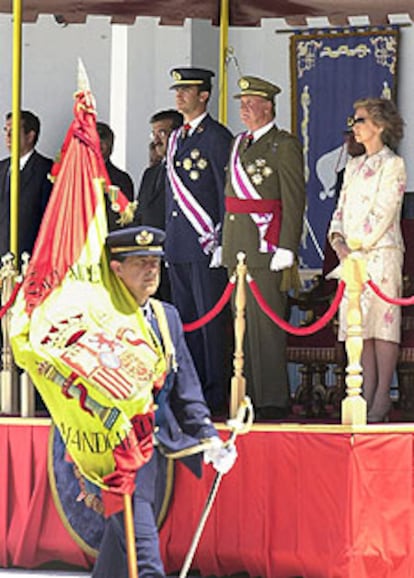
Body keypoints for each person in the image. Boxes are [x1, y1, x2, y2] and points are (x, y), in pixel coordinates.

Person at [92, 225, 237, 578]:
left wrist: (209, 438)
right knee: (145, 559)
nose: (151, 270)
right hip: (115, 455)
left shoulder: (165, 316)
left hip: (153, 453)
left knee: (118, 553)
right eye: (140, 262)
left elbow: (185, 385)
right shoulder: (99, 319)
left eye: (155, 262)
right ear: (116, 268)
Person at [222, 76, 306, 420]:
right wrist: (222, 243)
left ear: (268, 107)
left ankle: (272, 399)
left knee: (265, 327)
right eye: (241, 101)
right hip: (237, 247)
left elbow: (293, 198)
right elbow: (230, 197)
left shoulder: (282, 145)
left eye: (250, 102)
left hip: (266, 246)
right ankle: (249, 395)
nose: (243, 107)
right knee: (241, 326)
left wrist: (287, 246)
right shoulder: (239, 143)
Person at [328, 97, 406, 423]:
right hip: (352, 259)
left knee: (382, 327)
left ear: (380, 125)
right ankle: (364, 393)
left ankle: (381, 397)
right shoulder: (353, 166)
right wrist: (338, 241)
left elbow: (384, 212)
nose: (355, 126)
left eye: (360, 120)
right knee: (362, 329)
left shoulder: (393, 165)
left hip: (381, 256)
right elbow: (340, 211)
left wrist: (357, 246)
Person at [165, 67, 233, 413]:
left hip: (206, 245)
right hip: (178, 243)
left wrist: (223, 240)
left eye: (186, 90)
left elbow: (225, 193)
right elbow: (171, 196)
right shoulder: (177, 137)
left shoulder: (217, 137)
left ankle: (215, 390)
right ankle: (191, 388)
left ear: (204, 95)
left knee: (210, 322)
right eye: (177, 90)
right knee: (186, 321)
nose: (179, 95)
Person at [136, 109, 183, 301]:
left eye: (162, 133)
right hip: (150, 256)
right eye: (154, 134)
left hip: (177, 253)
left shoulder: (184, 171)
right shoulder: (150, 174)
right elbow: (140, 214)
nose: (156, 140)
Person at [0, 110, 52, 258]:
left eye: (14, 131)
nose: (8, 136)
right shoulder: (1, 168)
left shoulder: (46, 171)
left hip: (29, 258)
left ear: (30, 136)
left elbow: (47, 220)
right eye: (6, 130)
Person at [96, 121, 136, 231]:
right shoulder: (75, 175)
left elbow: (124, 217)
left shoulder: (122, 179)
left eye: (104, 141)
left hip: (109, 238)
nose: (99, 145)